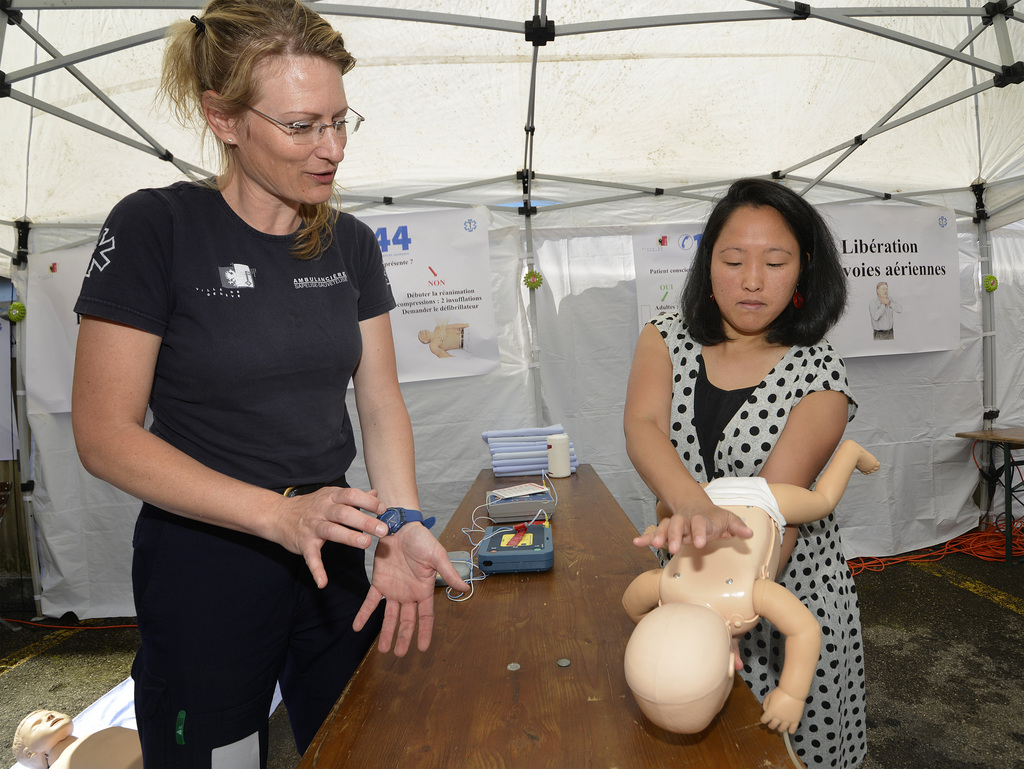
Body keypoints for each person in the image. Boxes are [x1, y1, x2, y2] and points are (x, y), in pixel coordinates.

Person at [70, 1, 468, 767]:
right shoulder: (159, 227)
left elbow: (379, 399)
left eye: (341, 120)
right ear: (224, 119)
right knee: (218, 755)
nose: (333, 149)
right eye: (302, 126)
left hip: (336, 537)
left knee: (356, 742)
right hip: (206, 554)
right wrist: (279, 517)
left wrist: (405, 518)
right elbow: (105, 435)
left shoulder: (348, 241)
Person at [623, 177, 865, 768]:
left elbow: (774, 514)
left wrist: (722, 618)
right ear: (708, 264)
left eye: (775, 261)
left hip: (783, 593)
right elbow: (644, 428)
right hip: (686, 585)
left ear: (805, 271)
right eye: (733, 260)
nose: (752, 279)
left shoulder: (820, 376)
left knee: (787, 748)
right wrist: (691, 503)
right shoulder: (666, 336)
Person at [622, 440, 879, 736]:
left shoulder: (746, 596)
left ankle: (850, 451)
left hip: (762, 499)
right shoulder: (664, 585)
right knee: (666, 504)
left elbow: (805, 630)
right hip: (703, 496)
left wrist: (792, 694)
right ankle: (664, 525)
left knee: (822, 501)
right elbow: (631, 604)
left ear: (732, 666)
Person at [12, 710, 142, 769]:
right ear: (29, 754)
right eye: (37, 725)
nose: (50, 716)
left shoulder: (110, 731)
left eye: (50, 712)